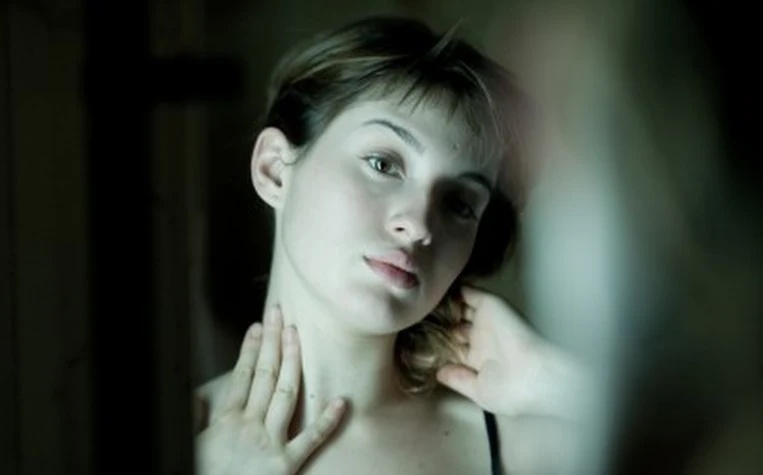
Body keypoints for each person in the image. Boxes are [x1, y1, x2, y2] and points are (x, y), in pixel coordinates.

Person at [195, 15, 589, 475]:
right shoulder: (171, 439)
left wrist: (554, 381)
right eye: (383, 164)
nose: (419, 224)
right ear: (275, 170)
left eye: (459, 203)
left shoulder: (528, 447)